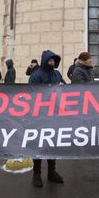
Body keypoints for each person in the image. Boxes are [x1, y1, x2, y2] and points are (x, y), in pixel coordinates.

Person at [28, 50, 65, 187]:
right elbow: (31, 93)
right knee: (39, 145)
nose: (52, 63)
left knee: (52, 144)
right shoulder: (36, 75)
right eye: (50, 60)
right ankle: (36, 174)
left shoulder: (57, 74)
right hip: (40, 115)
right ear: (45, 61)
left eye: (54, 61)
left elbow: (65, 89)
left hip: (54, 115)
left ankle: (52, 171)